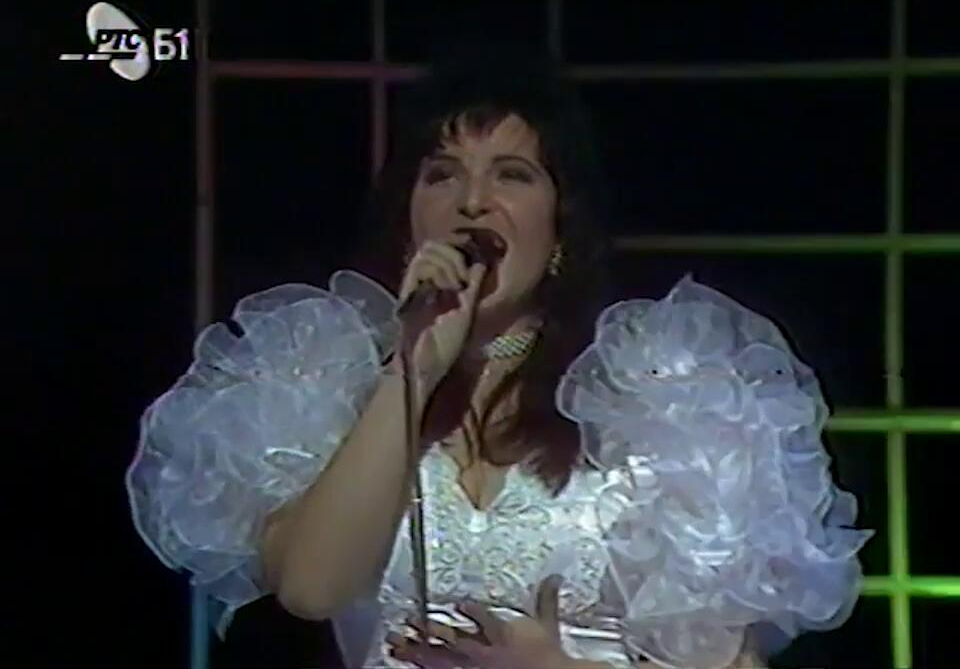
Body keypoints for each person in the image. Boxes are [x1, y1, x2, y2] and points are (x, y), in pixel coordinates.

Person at [126, 46, 872, 669]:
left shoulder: (658, 396)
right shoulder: (330, 385)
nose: (472, 201)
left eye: (512, 174)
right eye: (441, 174)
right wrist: (415, 366)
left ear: (561, 228)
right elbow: (312, 591)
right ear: (409, 218)